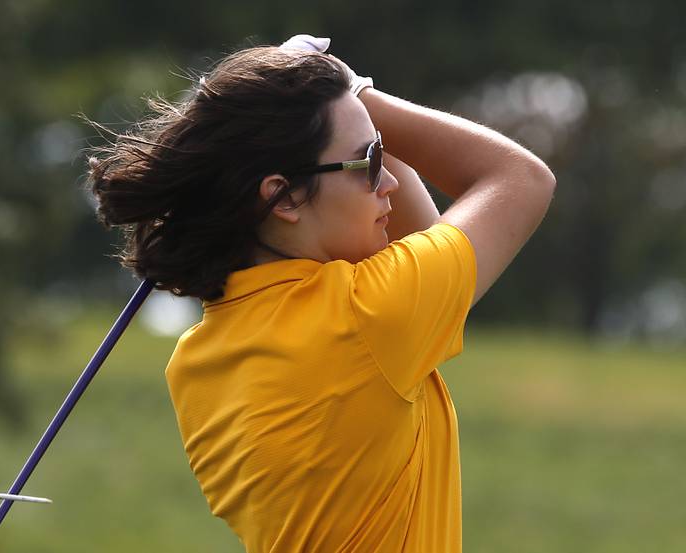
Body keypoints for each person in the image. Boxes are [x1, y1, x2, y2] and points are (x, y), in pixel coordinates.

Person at [88, 35, 555, 553]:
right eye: (369, 162)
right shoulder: (364, 317)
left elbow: (420, 237)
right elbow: (521, 178)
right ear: (283, 197)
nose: (389, 185)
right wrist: (355, 90)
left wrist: (336, 103)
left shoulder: (197, 363)